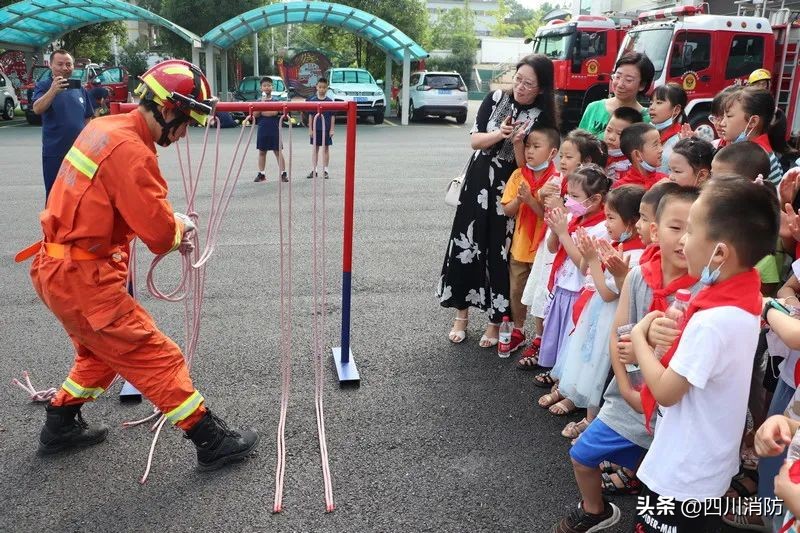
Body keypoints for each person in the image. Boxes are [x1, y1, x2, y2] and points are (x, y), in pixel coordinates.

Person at [18, 60, 258, 470]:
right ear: (166, 109)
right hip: (83, 278)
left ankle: (58, 425)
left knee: (98, 356)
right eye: (186, 121)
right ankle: (210, 440)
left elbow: (110, 203)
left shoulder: (103, 129)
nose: (184, 134)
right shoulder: (132, 153)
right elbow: (160, 235)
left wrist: (165, 222)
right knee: (155, 355)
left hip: (57, 268)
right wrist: (179, 225)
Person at [631, 177, 779, 532]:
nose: (683, 240)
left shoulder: (712, 321)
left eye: (692, 231)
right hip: (709, 462)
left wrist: (639, 336)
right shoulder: (746, 299)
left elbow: (667, 391)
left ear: (720, 253)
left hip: (684, 472)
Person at [551, 186, 701, 533]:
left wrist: (642, 347)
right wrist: (623, 384)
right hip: (628, 398)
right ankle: (596, 510)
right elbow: (617, 334)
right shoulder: (637, 276)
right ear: (653, 229)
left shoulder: (705, 292)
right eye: (676, 227)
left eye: (696, 230)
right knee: (582, 454)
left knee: (662, 480)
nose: (684, 240)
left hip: (675, 407)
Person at [439, 54, 558, 347]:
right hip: (477, 183)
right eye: (518, 79)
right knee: (466, 246)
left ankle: (495, 321)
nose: (521, 86)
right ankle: (461, 316)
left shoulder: (542, 118)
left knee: (498, 253)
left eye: (529, 84)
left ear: (541, 88)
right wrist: (499, 134)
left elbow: (525, 166)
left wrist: (517, 142)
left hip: (508, 189)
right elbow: (475, 141)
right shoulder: (494, 99)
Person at [542, 185, 645, 433]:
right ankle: (575, 396)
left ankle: (591, 417)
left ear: (631, 223)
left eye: (611, 217)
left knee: (599, 364)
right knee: (585, 357)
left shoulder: (636, 253)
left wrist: (591, 260)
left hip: (610, 314)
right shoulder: (617, 243)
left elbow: (608, 292)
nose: (606, 223)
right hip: (596, 311)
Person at [517, 129, 605, 367]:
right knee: (543, 292)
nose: (562, 162)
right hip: (554, 244)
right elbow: (547, 219)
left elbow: (572, 221)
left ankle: (550, 348)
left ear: (586, 161)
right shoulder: (557, 182)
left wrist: (560, 208)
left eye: (568, 157)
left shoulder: (585, 197)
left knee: (557, 299)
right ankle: (540, 339)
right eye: (562, 157)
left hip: (569, 252)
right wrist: (536, 200)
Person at [533, 165, 610, 388]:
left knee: (570, 335)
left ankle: (565, 378)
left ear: (595, 200)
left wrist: (563, 233)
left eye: (575, 196)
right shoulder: (575, 218)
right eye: (567, 195)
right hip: (563, 286)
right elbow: (552, 247)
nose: (568, 201)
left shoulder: (602, 228)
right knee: (557, 330)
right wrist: (556, 230)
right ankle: (556, 370)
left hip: (578, 290)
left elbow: (583, 266)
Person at [500, 125, 560, 352]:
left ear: (552, 153)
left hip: (544, 249)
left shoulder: (556, 179)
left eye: (536, 147)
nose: (530, 152)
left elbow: (549, 217)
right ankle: (518, 329)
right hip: (520, 246)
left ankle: (540, 335)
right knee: (516, 290)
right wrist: (520, 199)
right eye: (527, 147)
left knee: (540, 293)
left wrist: (530, 200)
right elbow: (507, 210)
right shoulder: (518, 175)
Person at [31, 49, 94, 200]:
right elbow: (37, 109)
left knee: (80, 194)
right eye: (60, 64)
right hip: (55, 152)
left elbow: (88, 117)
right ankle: (53, 224)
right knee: (55, 194)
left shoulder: (79, 88)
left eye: (68, 64)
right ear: (51, 66)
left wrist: (88, 144)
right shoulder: (44, 86)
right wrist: (53, 91)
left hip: (79, 154)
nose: (65, 68)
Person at [717, 86, 784, 183]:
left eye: (729, 116)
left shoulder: (758, 158)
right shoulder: (748, 150)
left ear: (752, 122)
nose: (722, 123)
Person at [578, 52, 654, 137]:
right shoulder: (594, 108)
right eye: (617, 77)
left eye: (628, 80)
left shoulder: (647, 119)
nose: (620, 84)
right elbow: (579, 144)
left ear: (642, 85)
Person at [253, 77, 288, 183]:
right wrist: (262, 105)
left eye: (269, 85)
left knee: (278, 151)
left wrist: (263, 111)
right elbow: (255, 114)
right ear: (261, 88)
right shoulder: (258, 101)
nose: (267, 87)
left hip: (274, 128)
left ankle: (283, 173)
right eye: (264, 86)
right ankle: (261, 174)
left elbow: (273, 113)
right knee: (262, 152)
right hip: (262, 128)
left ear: (272, 87)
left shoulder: (276, 101)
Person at [648, 83, 687, 174]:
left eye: (659, 103)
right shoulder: (647, 133)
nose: (652, 107)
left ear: (676, 109)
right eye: (651, 103)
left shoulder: (681, 140)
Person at [615, 122, 666, 190]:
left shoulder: (665, 180)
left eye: (660, 143)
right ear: (637, 155)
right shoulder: (622, 189)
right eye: (655, 145)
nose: (661, 150)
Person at [604, 106, 643, 178]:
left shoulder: (634, 163)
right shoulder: (597, 153)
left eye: (619, 134)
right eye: (609, 130)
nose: (611, 137)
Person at [306, 77, 334, 179]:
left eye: (324, 87)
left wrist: (332, 129)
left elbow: (332, 116)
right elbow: (310, 115)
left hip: (326, 129)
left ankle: (326, 170)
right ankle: (314, 170)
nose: (322, 89)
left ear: (327, 88)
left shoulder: (330, 101)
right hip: (315, 128)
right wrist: (310, 129)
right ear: (316, 87)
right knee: (315, 149)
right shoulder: (312, 100)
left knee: (326, 149)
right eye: (320, 87)